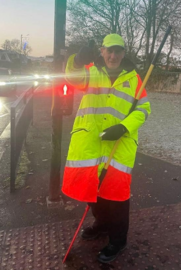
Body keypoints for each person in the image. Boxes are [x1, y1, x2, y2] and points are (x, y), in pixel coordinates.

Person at [61, 33, 151, 263]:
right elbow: (72, 77)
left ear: (123, 53)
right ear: (102, 51)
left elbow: (144, 109)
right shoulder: (91, 71)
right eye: (109, 50)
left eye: (118, 51)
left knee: (117, 196)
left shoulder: (135, 79)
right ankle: (101, 225)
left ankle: (118, 240)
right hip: (91, 143)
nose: (113, 55)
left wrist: (123, 127)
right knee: (94, 190)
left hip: (118, 145)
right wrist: (78, 60)